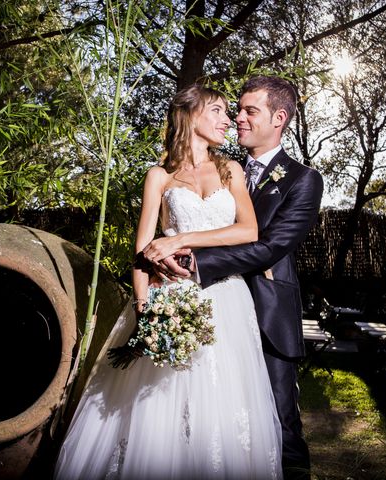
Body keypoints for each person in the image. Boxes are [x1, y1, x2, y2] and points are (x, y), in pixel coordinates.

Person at [53, 83, 283, 479]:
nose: (227, 120)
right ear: (190, 115)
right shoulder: (159, 176)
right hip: (170, 300)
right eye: (217, 111)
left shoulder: (231, 170)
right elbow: (143, 253)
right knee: (158, 408)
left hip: (225, 301)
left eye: (228, 113)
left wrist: (179, 238)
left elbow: (248, 231)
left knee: (221, 409)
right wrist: (146, 311)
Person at [147, 75, 324, 480]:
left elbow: (269, 247)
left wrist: (195, 261)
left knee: (279, 422)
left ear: (278, 118)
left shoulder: (302, 180)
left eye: (250, 111)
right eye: (236, 111)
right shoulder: (222, 168)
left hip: (265, 311)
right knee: (206, 411)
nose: (238, 119)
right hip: (208, 307)